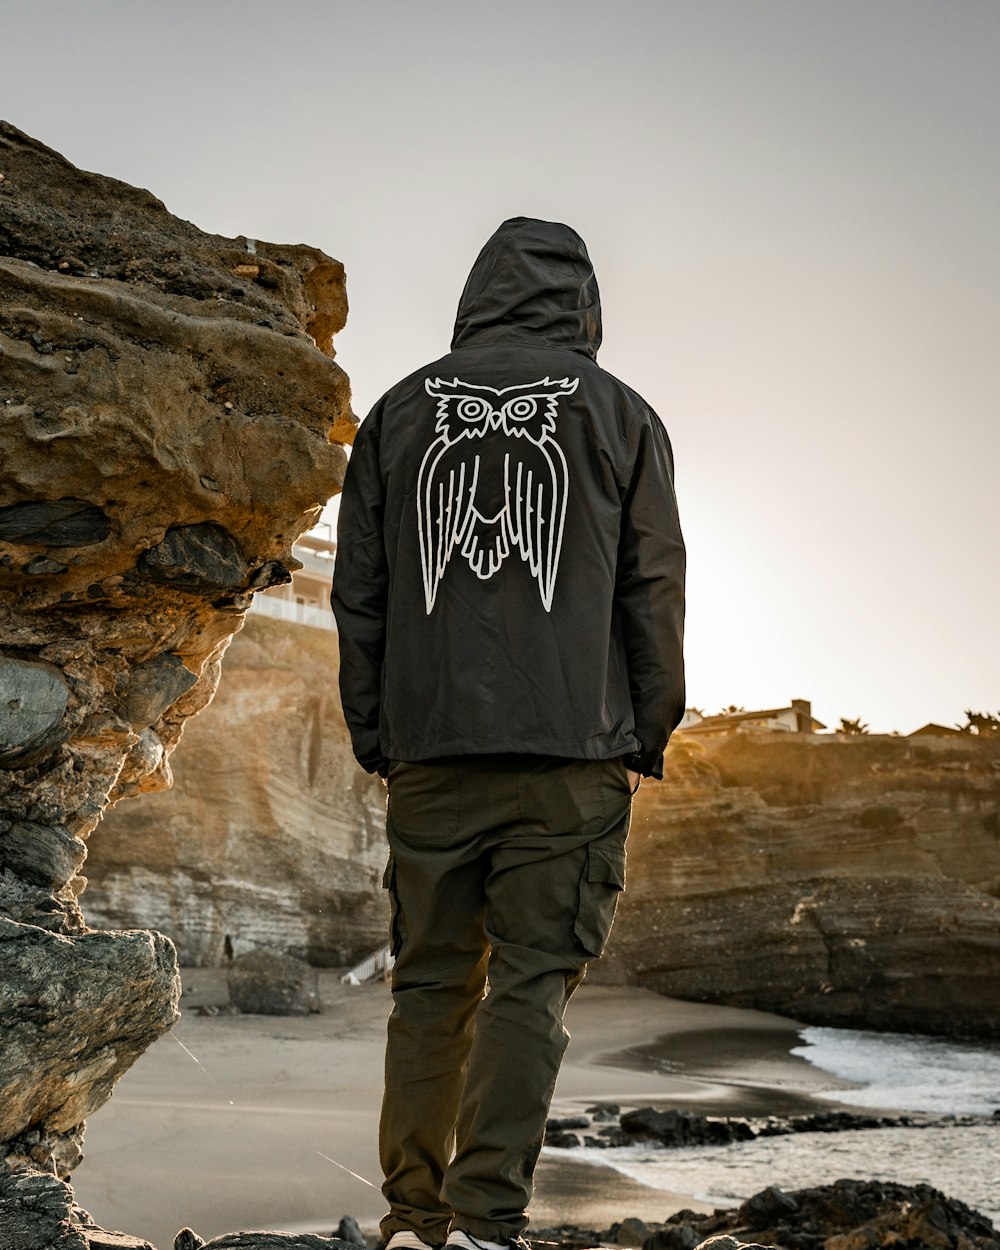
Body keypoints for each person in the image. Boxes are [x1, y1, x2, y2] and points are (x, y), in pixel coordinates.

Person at [331, 217, 685, 1250]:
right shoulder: (621, 416)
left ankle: (411, 1221)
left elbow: (363, 596)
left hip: (431, 754)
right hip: (573, 755)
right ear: (583, 304)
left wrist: (377, 734)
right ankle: (485, 1225)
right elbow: (651, 586)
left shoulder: (398, 412)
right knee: (530, 983)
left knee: (431, 982)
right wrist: (646, 732)